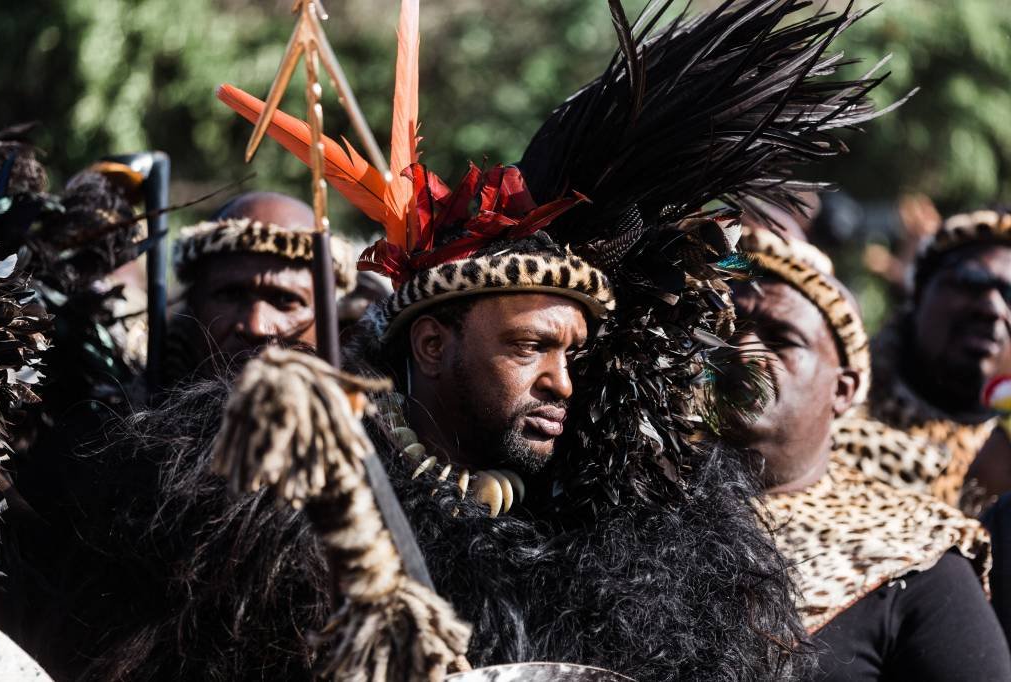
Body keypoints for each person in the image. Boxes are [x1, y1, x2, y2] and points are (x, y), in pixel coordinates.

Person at [57, 0, 896, 679]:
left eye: (573, 354)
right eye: (530, 348)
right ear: (431, 345)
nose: (562, 381)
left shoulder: (631, 536)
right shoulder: (279, 514)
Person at [724, 226, 1010, 679]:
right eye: (973, 280)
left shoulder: (921, 549)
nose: (741, 350)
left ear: (843, 388)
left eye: (781, 339)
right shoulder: (628, 500)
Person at [834, 209, 1011, 511]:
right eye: (971, 280)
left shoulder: (1001, 467)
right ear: (919, 293)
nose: (994, 309)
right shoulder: (831, 404)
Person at [166, 190, 357, 382]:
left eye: (286, 299)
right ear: (193, 306)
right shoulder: (138, 402)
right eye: (231, 295)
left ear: (332, 322)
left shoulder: (380, 410)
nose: (255, 327)